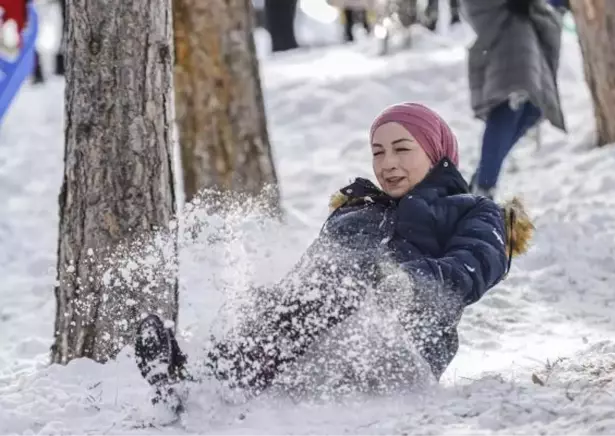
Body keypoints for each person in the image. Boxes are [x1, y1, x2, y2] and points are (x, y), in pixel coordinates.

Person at [134, 103, 534, 411]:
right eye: (378, 152)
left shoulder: (473, 210)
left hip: (406, 346)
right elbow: (306, 283)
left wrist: (408, 281)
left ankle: (203, 386)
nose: (387, 163)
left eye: (401, 149)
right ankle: (200, 384)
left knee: (339, 286)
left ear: (435, 152)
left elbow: (475, 267)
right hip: (332, 340)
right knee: (272, 297)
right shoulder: (356, 210)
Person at [462, 0, 566, 199]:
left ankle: (483, 177)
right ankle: (484, 186)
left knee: (534, 108)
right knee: (510, 100)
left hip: (520, 19)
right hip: (504, 16)